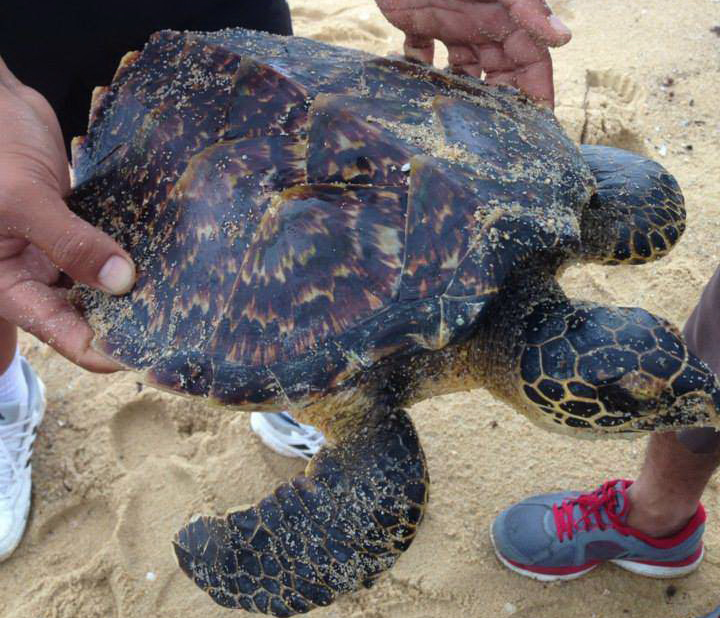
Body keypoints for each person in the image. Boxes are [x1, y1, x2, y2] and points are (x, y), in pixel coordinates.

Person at [0, 0, 570, 561]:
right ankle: (7, 400)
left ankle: (299, 396)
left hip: (222, 22)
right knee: (10, 235)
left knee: (292, 117)